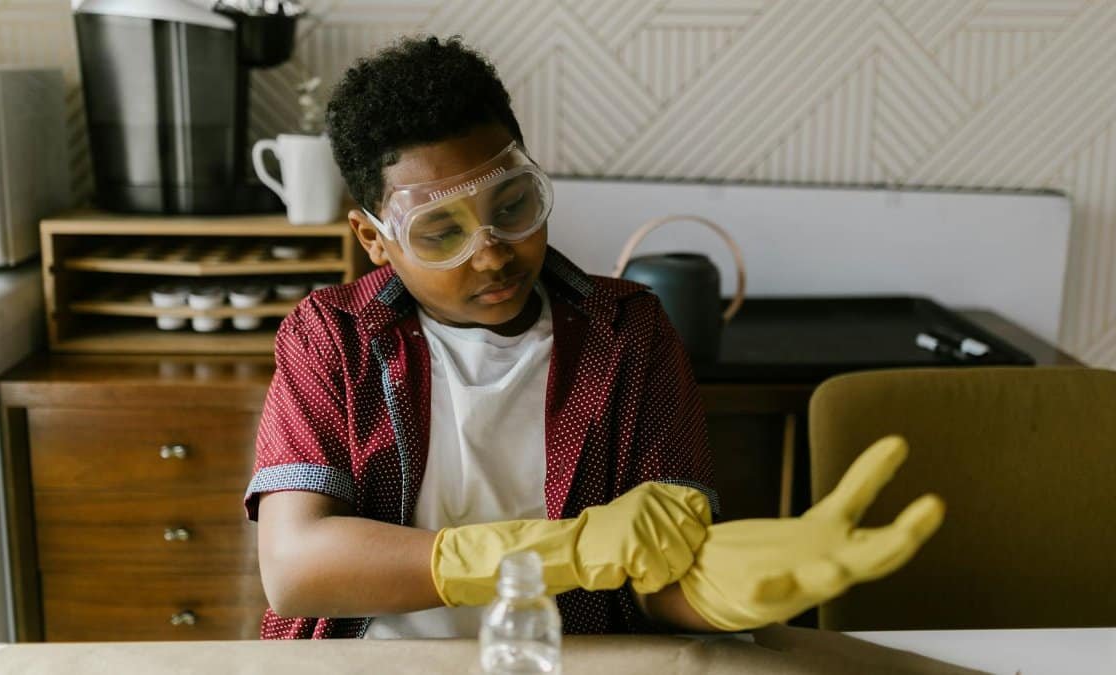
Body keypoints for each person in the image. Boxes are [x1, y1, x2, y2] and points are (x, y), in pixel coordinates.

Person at [244, 36, 944, 641]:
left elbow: (660, 579)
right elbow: (297, 569)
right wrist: (566, 549)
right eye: (441, 232)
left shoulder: (630, 334)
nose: (492, 254)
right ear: (375, 239)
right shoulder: (332, 339)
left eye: (512, 205)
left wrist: (726, 591)